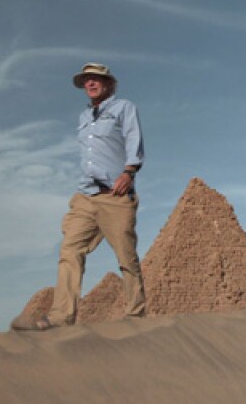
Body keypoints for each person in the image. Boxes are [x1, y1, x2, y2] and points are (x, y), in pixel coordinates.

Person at [12, 63, 146, 330]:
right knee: (69, 251)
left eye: (96, 79)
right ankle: (62, 316)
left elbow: (134, 139)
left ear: (108, 83)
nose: (91, 84)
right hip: (85, 195)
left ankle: (135, 315)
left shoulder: (124, 108)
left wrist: (129, 171)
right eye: (87, 80)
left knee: (126, 257)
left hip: (115, 196)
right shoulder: (84, 117)